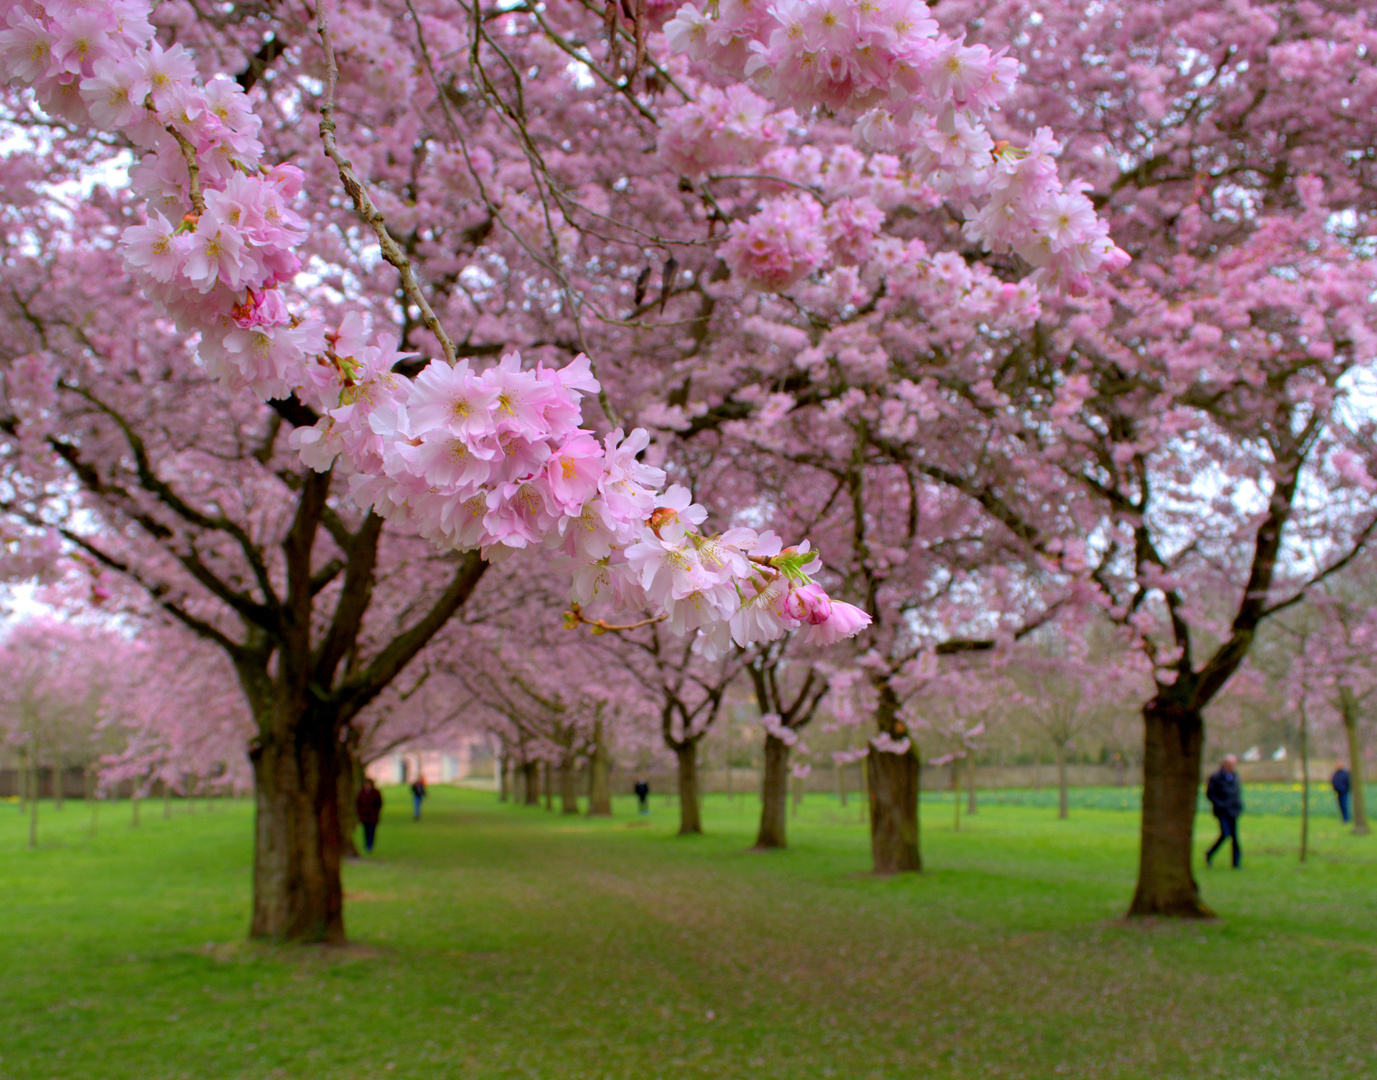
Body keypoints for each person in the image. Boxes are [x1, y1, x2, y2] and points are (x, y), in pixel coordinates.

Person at [1205, 754, 1243, 868]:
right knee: (1225, 834)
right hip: (1222, 812)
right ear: (1225, 764)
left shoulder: (1234, 776)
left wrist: (1239, 805)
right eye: (1231, 764)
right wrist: (1220, 804)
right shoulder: (1216, 777)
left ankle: (1236, 863)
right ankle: (1210, 853)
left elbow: (1236, 792)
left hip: (1233, 811)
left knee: (1235, 837)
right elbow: (1210, 794)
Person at [356, 777, 383, 854]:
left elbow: (379, 803)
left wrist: (376, 812)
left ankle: (370, 845)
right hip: (364, 816)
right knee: (366, 831)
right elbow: (358, 804)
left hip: (373, 817)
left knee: (372, 831)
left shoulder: (376, 793)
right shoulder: (362, 793)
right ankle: (367, 844)